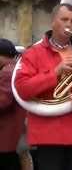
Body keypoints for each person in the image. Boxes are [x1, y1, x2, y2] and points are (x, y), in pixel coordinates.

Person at [14, 4, 72, 170]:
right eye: (64, 19)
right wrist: (56, 72)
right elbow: (22, 89)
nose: (69, 24)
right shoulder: (33, 53)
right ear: (53, 22)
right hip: (47, 134)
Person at [0, 39, 26, 170]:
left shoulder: (7, 72)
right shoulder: (15, 69)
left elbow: (3, 101)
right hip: (14, 134)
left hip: (6, 135)